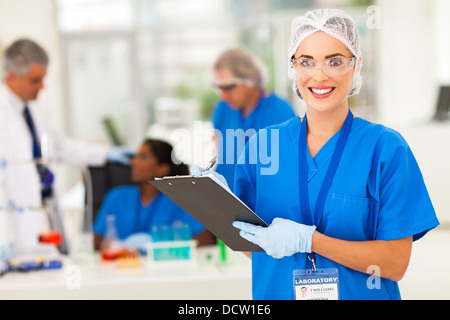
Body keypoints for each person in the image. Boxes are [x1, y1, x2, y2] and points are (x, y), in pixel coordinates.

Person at [193, 9, 440, 300]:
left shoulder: (386, 149)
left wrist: (310, 241)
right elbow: (253, 247)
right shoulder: (261, 147)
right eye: (306, 62)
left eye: (335, 62)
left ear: (356, 65)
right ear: (293, 67)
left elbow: (395, 264)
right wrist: (216, 210)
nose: (319, 76)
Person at [0, 39, 132, 254]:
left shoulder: (36, 111)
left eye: (43, 79)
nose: (42, 86)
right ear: (12, 76)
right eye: (35, 80)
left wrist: (106, 153)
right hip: (11, 226)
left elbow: (60, 148)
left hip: (44, 214)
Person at [93, 139, 214, 252]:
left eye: (143, 157)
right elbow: (95, 238)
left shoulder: (178, 199)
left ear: (162, 169)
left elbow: (205, 239)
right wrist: (118, 248)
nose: (133, 162)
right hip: (123, 267)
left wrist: (164, 248)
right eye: (135, 157)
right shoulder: (116, 197)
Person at [211, 48, 296, 191]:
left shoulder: (280, 112)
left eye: (229, 87)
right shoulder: (222, 109)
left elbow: (288, 171)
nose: (223, 96)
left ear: (251, 79)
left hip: (264, 207)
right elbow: (223, 160)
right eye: (220, 88)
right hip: (226, 201)